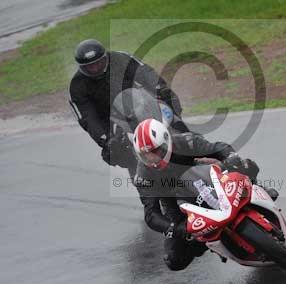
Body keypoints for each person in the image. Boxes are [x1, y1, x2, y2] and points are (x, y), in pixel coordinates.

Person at [133, 118, 264, 271]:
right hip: (175, 203)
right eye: (146, 155)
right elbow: (151, 214)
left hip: (203, 177)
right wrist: (173, 228)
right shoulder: (143, 176)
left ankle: (259, 193)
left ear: (166, 143)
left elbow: (216, 148)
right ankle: (206, 241)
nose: (152, 159)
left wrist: (230, 156)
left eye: (155, 151)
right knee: (174, 260)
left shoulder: (184, 142)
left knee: (244, 164)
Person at [69, 39, 185, 176]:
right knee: (118, 151)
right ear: (82, 68)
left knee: (176, 123)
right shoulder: (77, 86)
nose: (95, 68)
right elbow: (88, 118)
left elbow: (146, 73)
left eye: (98, 63)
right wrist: (105, 139)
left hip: (139, 106)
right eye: (90, 66)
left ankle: (200, 153)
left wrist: (162, 91)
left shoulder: (121, 58)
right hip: (112, 123)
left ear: (105, 58)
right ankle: (144, 182)